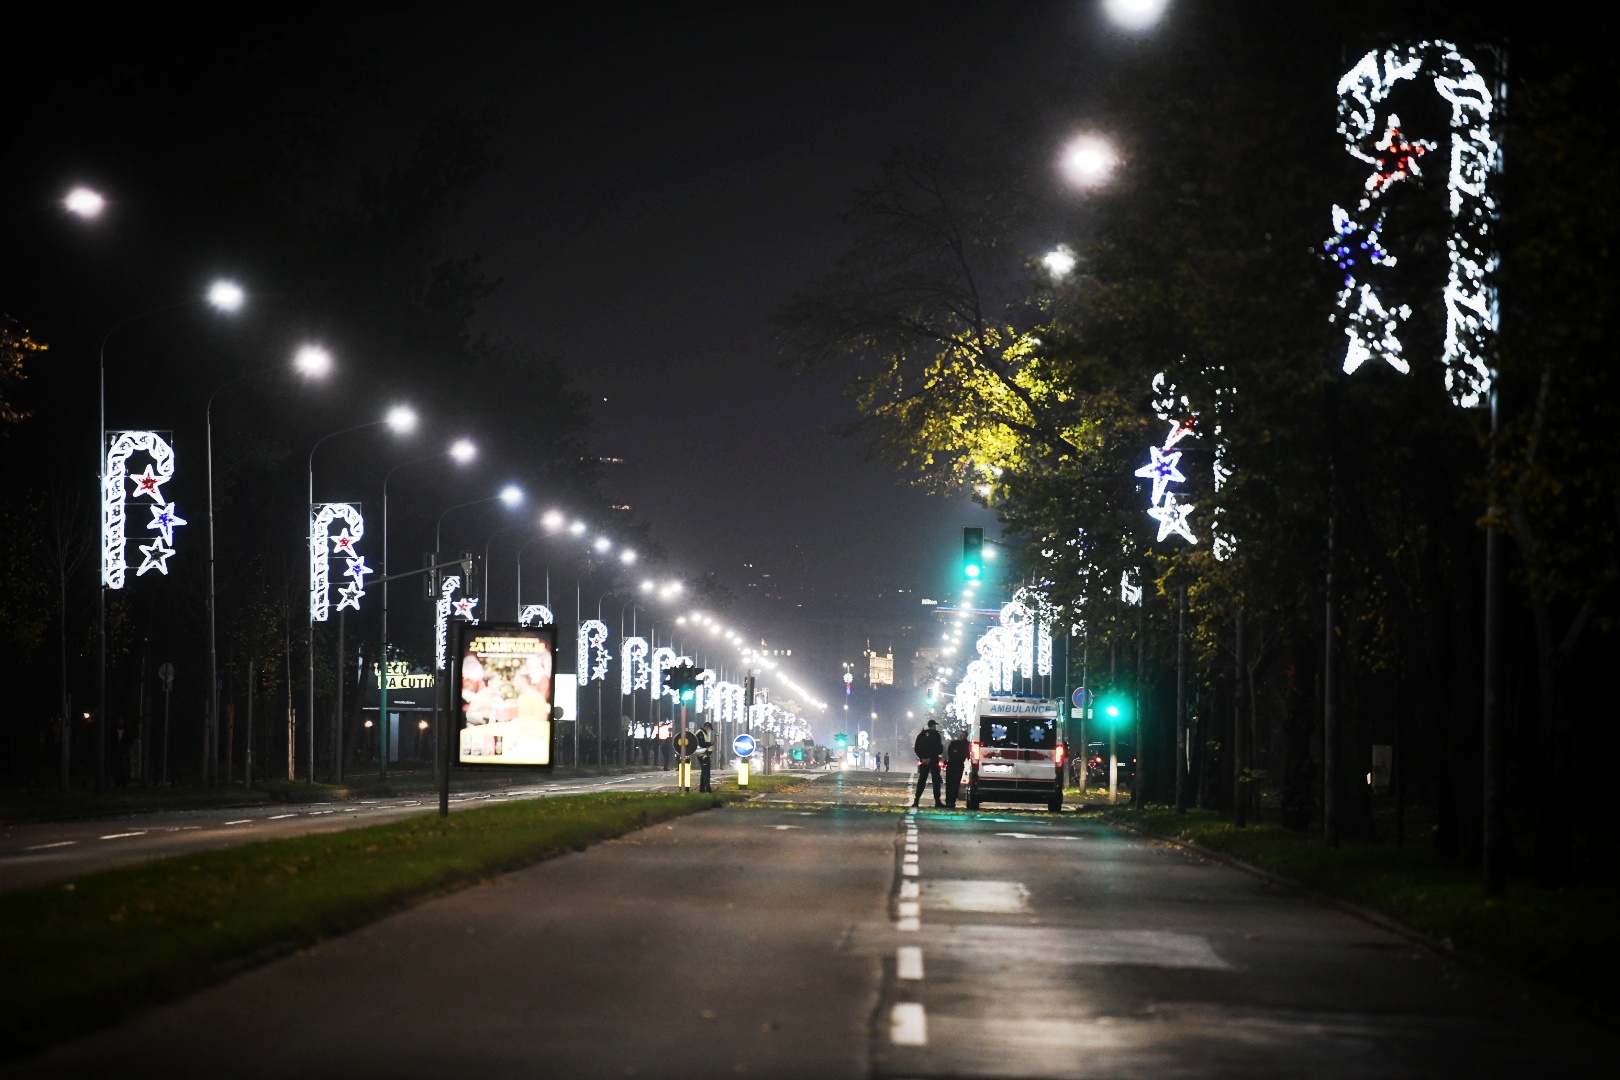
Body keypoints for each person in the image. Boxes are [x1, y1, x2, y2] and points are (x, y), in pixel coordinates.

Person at [912, 719, 944, 807]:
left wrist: (922, 758)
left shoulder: (921, 735)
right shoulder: (936, 735)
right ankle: (937, 801)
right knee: (936, 781)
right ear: (933, 726)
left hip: (923, 762)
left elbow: (916, 748)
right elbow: (938, 749)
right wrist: (930, 758)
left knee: (922, 781)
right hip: (933, 761)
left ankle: (916, 800)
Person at [945, 728, 970, 807]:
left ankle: (952, 801)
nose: (961, 736)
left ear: (966, 736)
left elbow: (965, 754)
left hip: (958, 765)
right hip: (952, 764)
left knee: (955, 784)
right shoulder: (954, 743)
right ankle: (948, 800)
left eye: (963, 735)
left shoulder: (966, 745)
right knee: (949, 783)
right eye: (961, 735)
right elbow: (950, 752)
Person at [696, 721, 714, 792]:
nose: (709, 731)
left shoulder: (703, 733)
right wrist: (710, 743)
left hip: (704, 755)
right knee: (706, 773)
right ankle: (708, 789)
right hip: (703, 755)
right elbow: (701, 743)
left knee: (704, 772)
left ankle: (702, 789)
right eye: (709, 729)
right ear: (706, 727)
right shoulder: (700, 733)